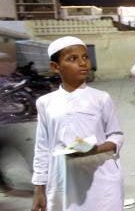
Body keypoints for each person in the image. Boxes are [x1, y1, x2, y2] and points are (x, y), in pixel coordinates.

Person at [31, 36, 124, 210]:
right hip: (63, 181)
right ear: (55, 67)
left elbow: (116, 136)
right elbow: (42, 146)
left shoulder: (101, 98)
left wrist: (95, 149)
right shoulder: (45, 102)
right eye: (72, 59)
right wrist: (39, 188)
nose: (82, 63)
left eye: (85, 57)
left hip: (101, 179)